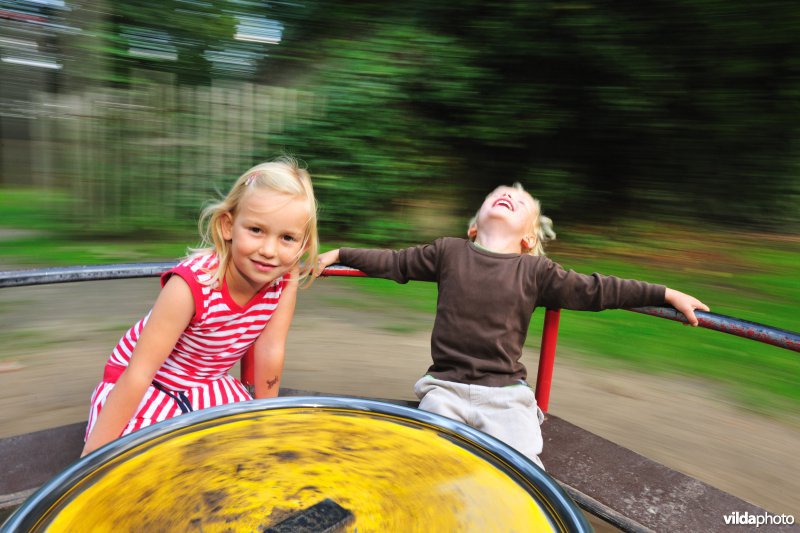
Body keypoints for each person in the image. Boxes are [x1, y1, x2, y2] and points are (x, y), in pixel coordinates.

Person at [315, 183, 708, 468]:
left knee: (521, 467)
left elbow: (597, 289)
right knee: (428, 457)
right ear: (473, 227)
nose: (507, 196)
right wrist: (340, 253)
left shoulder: (536, 271)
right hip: (445, 388)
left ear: (528, 238)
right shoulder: (448, 251)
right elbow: (395, 262)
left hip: (505, 395)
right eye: (497, 194)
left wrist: (665, 293)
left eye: (520, 202)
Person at [82, 157, 319, 456]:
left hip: (204, 384)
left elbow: (271, 349)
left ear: (302, 246)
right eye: (256, 230)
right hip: (147, 385)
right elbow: (139, 373)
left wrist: (265, 424)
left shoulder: (285, 279)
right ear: (228, 226)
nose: (269, 250)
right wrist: (91, 461)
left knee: (247, 446)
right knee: (142, 457)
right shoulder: (191, 285)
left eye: (287, 238)